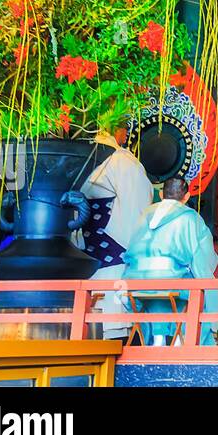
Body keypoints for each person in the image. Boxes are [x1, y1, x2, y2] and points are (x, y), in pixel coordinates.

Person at [123, 177, 218, 345]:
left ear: (161, 194)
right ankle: (180, 339)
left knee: (156, 291)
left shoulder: (145, 215)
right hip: (172, 278)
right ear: (187, 196)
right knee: (201, 290)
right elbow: (202, 258)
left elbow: (131, 250)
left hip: (136, 280)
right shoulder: (190, 217)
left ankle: (158, 337)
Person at [79, 128, 155, 339]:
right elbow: (138, 214)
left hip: (84, 258)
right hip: (115, 262)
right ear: (117, 129)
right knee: (118, 330)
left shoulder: (77, 156)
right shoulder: (122, 162)